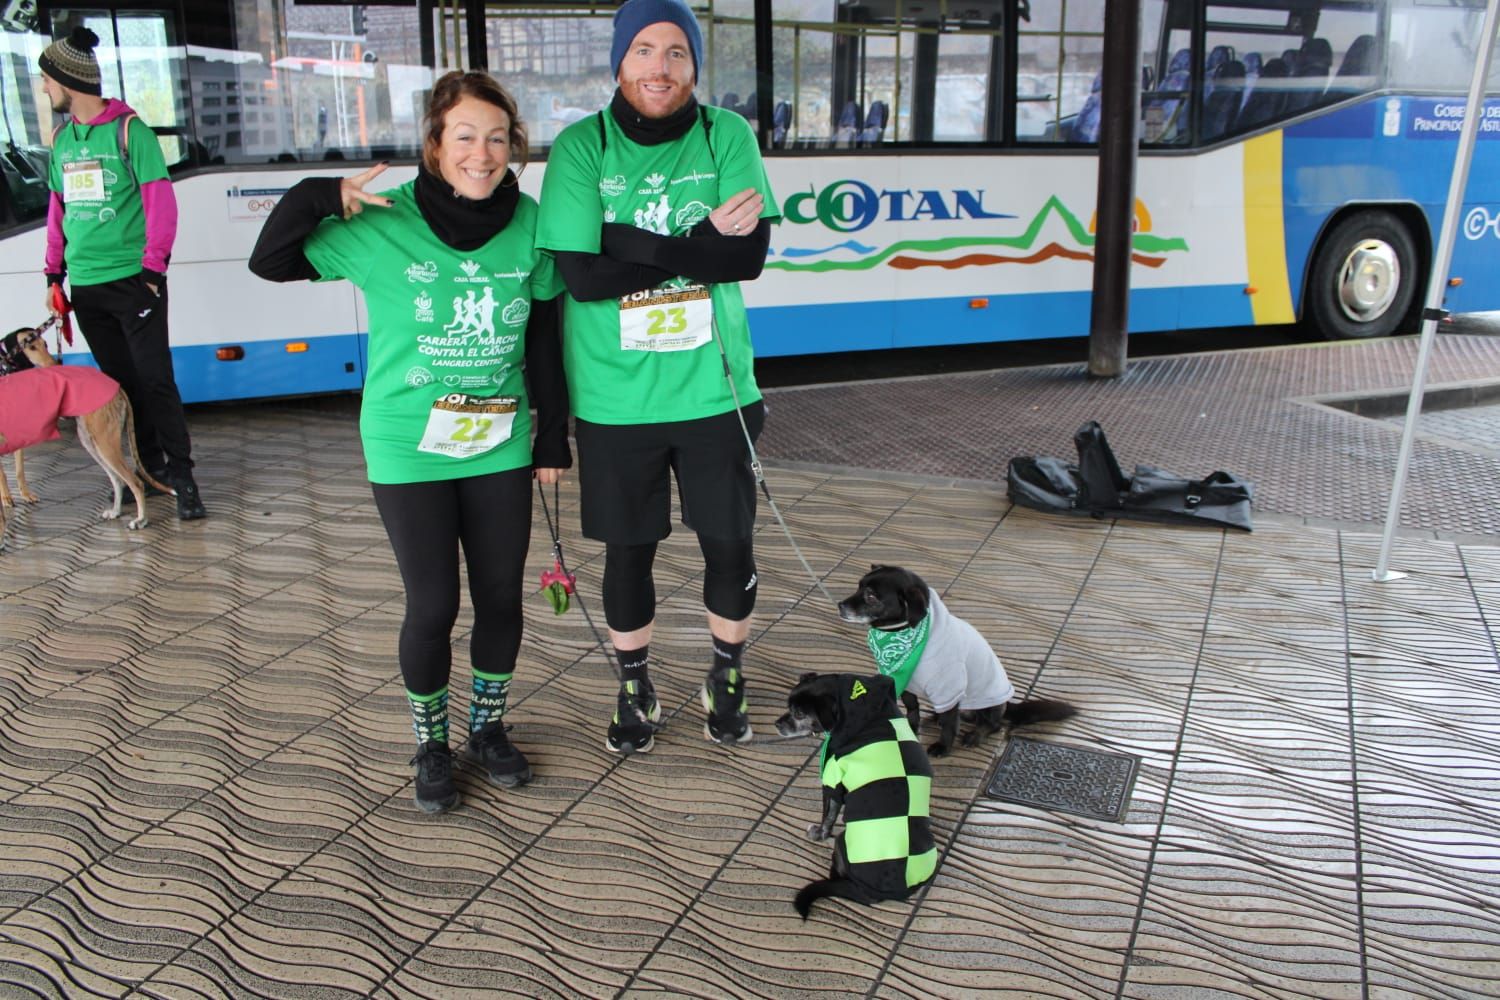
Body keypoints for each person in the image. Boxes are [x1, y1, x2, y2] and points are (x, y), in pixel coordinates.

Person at [248, 71, 570, 814]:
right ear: (434, 144)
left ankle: (486, 730)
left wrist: (552, 437)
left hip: (499, 442)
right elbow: (270, 261)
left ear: (512, 145)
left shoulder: (531, 224)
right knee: (432, 605)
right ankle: (430, 741)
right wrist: (322, 196)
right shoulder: (380, 223)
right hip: (407, 446)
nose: (482, 154)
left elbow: (546, 337)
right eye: (465, 137)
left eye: (496, 138)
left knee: (501, 600)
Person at [535, 0, 779, 754]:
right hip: (616, 398)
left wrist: (630, 241)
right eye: (643, 50)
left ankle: (725, 673)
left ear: (695, 65)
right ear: (619, 61)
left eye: (676, 52)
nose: (659, 68)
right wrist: (695, 240)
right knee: (628, 552)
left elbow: (745, 259)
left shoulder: (725, 134)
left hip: (716, 391)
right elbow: (580, 276)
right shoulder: (582, 148)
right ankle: (634, 683)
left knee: (730, 546)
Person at [40, 26, 206, 520]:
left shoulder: (131, 132)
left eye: (47, 81)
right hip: (86, 286)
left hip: (135, 281)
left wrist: (152, 272)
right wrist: (54, 274)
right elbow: (58, 211)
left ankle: (184, 479)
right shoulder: (62, 139)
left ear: (68, 82)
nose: (44, 90)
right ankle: (149, 473)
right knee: (119, 385)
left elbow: (162, 206)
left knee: (156, 381)